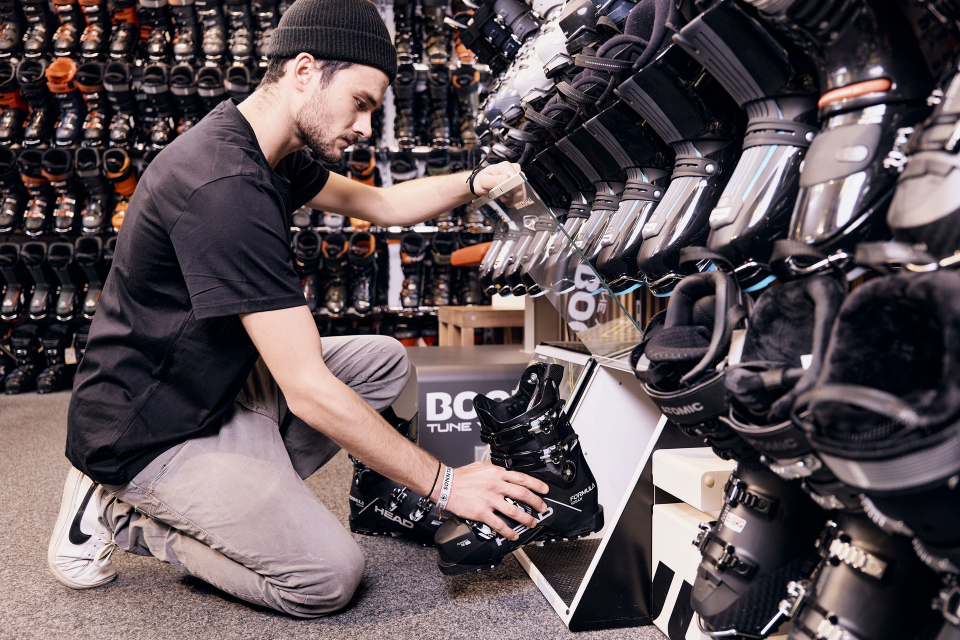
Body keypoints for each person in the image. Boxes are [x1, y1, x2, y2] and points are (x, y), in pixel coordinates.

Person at [47, 0, 547, 618]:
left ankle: (248, 497)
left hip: (216, 385)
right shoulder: (224, 187)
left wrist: (479, 182)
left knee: (383, 361)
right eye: (362, 103)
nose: (366, 126)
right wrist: (446, 483)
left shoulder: (267, 149)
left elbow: (383, 206)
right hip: (152, 430)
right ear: (305, 71)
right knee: (325, 578)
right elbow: (307, 391)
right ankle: (124, 512)